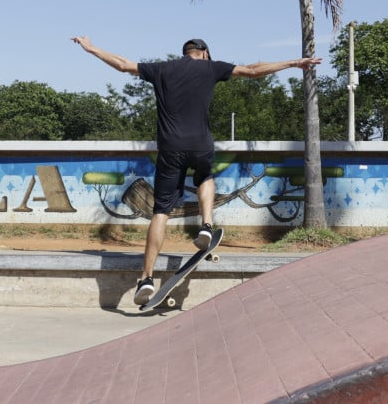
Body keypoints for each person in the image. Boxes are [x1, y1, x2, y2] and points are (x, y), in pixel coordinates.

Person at [71, 36, 321, 305]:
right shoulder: (210, 68)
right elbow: (252, 71)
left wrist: (92, 47)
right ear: (205, 53)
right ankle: (206, 225)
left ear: (185, 53)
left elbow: (123, 65)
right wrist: (294, 62)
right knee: (205, 177)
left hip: (170, 149)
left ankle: (146, 278)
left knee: (161, 212)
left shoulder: (162, 69)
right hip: (200, 145)